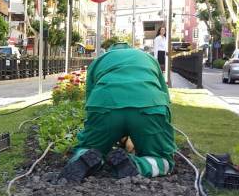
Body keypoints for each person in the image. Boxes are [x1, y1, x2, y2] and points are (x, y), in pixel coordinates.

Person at [59, 43, 176, 182]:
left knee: (87, 146)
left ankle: (84, 158)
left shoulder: (99, 61)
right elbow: (165, 98)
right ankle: (137, 165)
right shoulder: (149, 59)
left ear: (110, 51)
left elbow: (90, 99)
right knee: (163, 158)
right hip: (149, 107)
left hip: (104, 105)